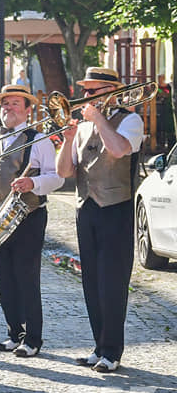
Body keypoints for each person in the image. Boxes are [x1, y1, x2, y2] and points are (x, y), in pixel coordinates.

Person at [56, 67, 143, 373]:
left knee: (112, 283)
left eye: (92, 91)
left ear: (109, 92)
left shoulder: (130, 120)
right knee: (91, 282)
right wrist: (68, 140)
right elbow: (65, 172)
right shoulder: (82, 127)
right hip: (86, 208)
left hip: (116, 209)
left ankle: (112, 352)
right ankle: (98, 347)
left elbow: (119, 150)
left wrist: (99, 120)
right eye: (87, 91)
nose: (86, 97)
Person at [0, 85, 63, 358]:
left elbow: (56, 177)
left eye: (15, 104)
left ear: (27, 110)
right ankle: (14, 333)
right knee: (3, 279)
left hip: (29, 216)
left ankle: (33, 338)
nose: (8, 109)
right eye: (4, 104)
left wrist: (33, 182)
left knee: (27, 277)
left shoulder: (40, 140)